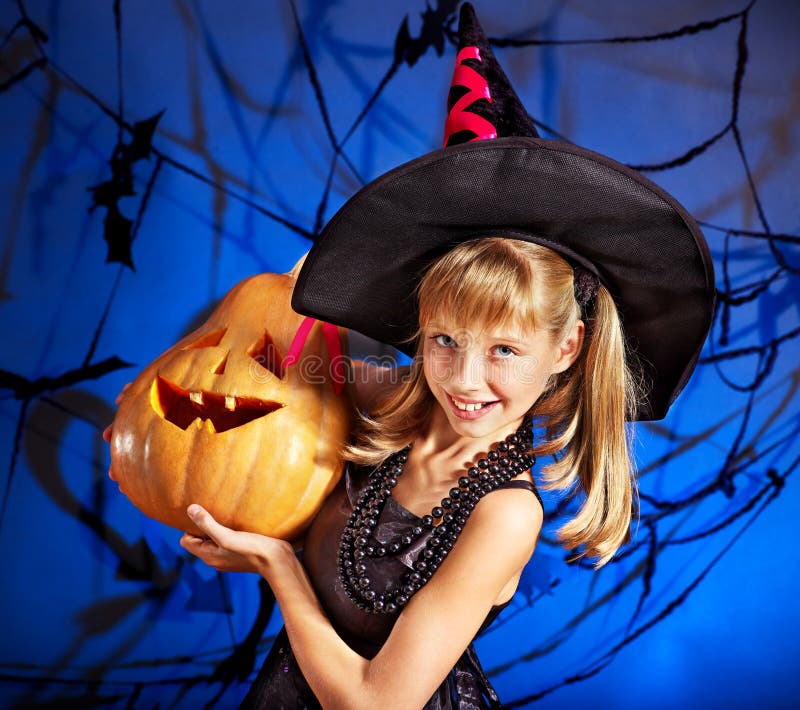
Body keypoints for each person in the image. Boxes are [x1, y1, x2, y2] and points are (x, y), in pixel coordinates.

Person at [105, 4, 715, 708]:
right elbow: (238, 396)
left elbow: (374, 703)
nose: (464, 378)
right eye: (444, 340)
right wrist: (138, 426)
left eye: (505, 350)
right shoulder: (372, 401)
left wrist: (277, 565)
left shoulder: (505, 515)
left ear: (566, 347)